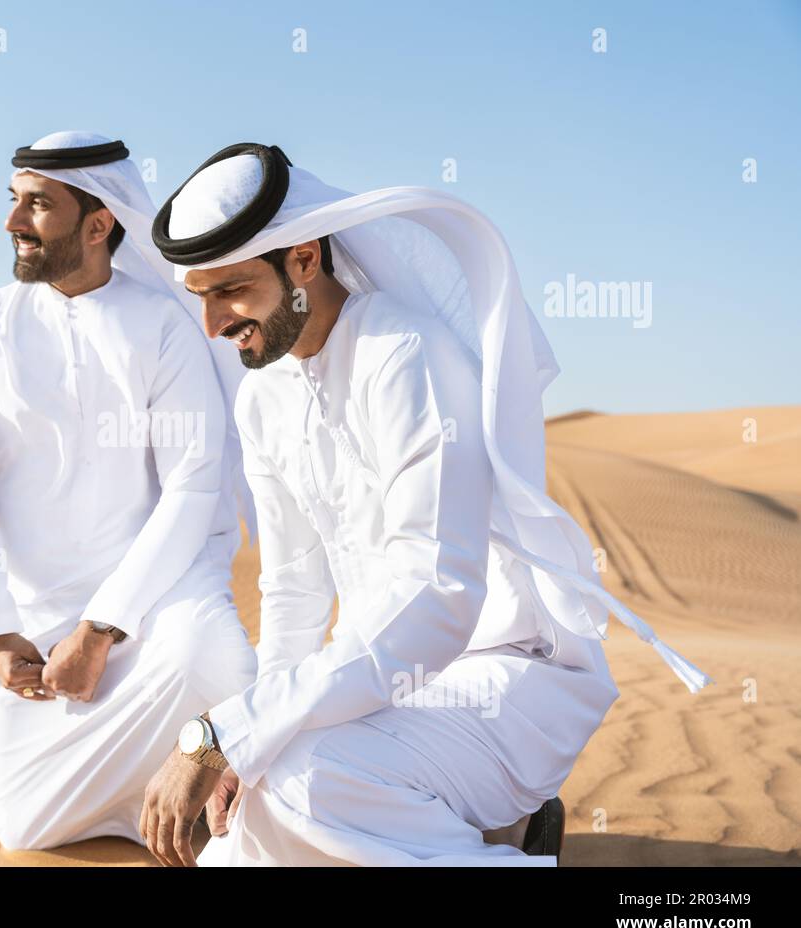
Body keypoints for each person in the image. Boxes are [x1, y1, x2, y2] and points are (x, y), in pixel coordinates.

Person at [139, 143, 713, 866]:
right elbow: (293, 596)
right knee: (246, 826)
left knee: (303, 785)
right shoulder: (262, 400)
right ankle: (483, 835)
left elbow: (436, 596)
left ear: (305, 261)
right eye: (200, 296)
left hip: (505, 676)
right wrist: (249, 743)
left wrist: (230, 732)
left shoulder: (405, 351)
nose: (213, 323)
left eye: (231, 290)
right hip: (386, 685)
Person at [0, 132, 257, 851]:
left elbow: (192, 484)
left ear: (99, 223)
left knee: (215, 656)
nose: (14, 222)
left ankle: (214, 785)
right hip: (37, 622)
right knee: (26, 824)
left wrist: (104, 626)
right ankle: (181, 798)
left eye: (38, 205)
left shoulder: (166, 325)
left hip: (154, 600)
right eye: (14, 202)